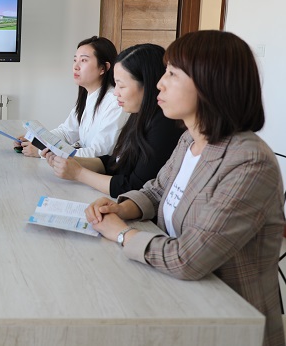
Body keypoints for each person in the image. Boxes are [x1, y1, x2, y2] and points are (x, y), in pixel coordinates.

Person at [85, 31, 285, 346]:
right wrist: (120, 208)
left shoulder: (249, 162)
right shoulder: (190, 139)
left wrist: (122, 233)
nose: (160, 84)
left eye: (172, 75)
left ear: (210, 84)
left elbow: (188, 258)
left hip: (227, 322)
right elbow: (156, 190)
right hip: (178, 298)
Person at [44, 44, 183, 197]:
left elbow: (134, 186)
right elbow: (117, 162)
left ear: (148, 85)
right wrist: (73, 161)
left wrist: (78, 173)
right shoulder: (139, 113)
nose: (116, 92)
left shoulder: (164, 124)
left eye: (121, 86)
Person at [20, 36, 128, 158]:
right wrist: (36, 140)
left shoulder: (115, 102)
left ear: (104, 68)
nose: (76, 66)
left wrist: (42, 151)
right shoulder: (89, 96)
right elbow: (66, 133)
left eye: (84, 60)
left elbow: (98, 153)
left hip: (99, 168)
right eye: (75, 60)